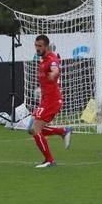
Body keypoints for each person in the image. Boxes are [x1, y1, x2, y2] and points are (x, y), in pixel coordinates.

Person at [28, 34, 72, 169]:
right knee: (31, 129)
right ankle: (63, 131)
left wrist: (54, 73)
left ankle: (50, 160)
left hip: (52, 100)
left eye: (40, 46)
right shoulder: (42, 61)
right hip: (46, 100)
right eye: (36, 45)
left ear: (46, 46)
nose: (37, 48)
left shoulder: (51, 58)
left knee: (35, 129)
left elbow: (55, 68)